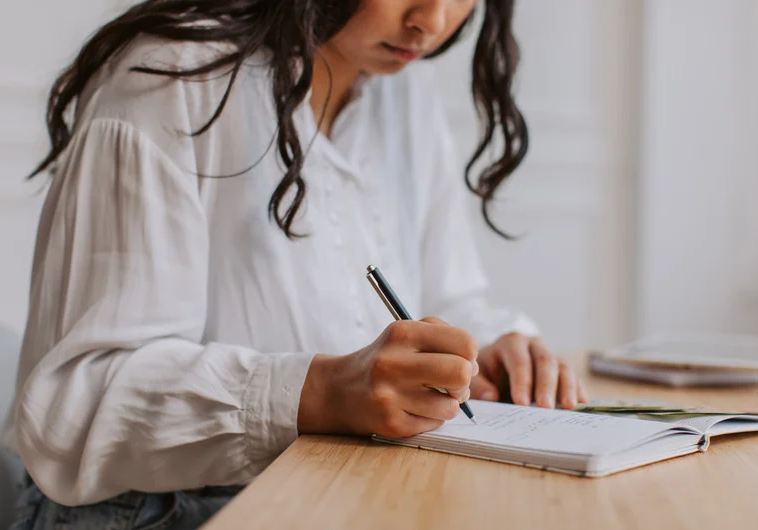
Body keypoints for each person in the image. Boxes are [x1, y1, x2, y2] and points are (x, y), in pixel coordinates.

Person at [7, 1, 587, 528]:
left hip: (329, 495)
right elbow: (72, 406)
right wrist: (322, 393)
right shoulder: (172, 78)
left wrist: (484, 348)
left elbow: (448, 290)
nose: (430, 23)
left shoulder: (400, 88)